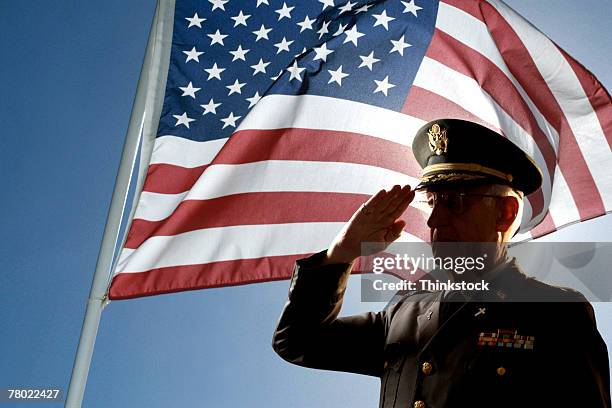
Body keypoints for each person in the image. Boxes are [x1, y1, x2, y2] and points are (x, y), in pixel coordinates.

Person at [272, 119, 610, 408]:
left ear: (505, 214)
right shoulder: (404, 310)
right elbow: (297, 342)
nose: (434, 220)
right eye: (431, 202)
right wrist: (342, 253)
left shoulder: (555, 313)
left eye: (455, 202)